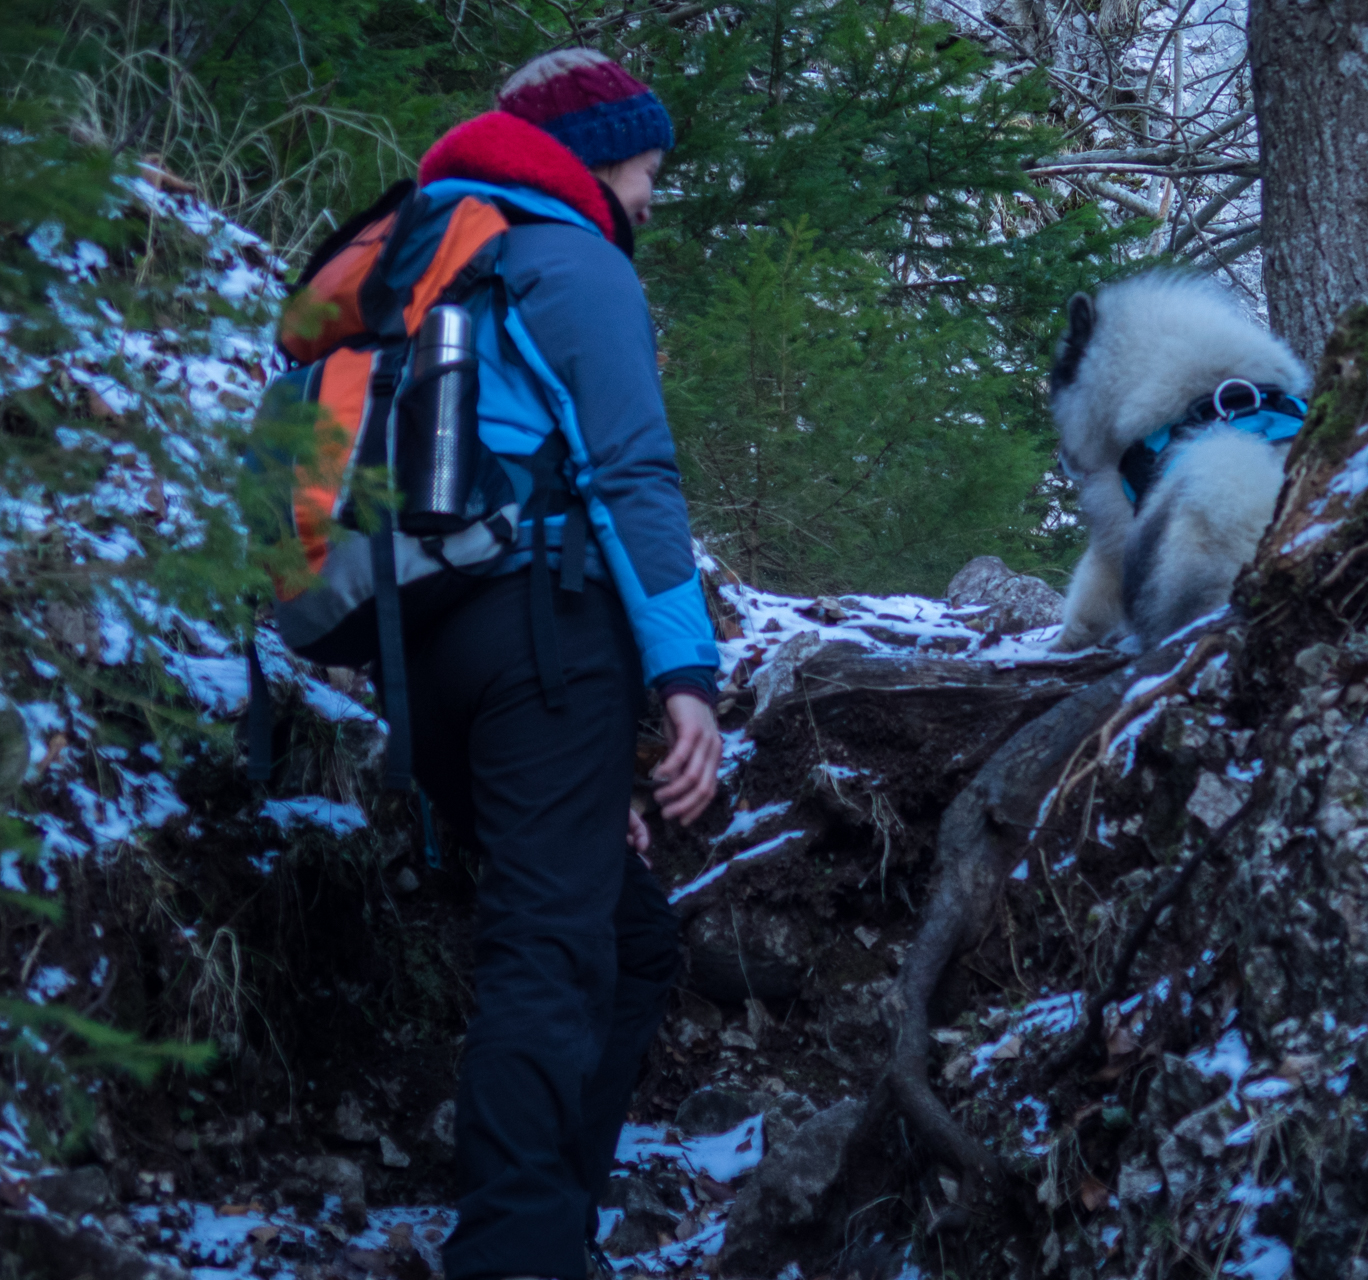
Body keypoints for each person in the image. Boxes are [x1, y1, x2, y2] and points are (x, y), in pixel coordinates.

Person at [393, 48, 722, 1280]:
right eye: (646, 164)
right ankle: (515, 1252)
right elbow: (633, 476)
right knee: (548, 944)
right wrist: (686, 680)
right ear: (595, 156)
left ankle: (551, 1228)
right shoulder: (569, 261)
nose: (652, 193)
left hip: (423, 650)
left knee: (628, 939)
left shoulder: (428, 262)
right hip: (543, 632)